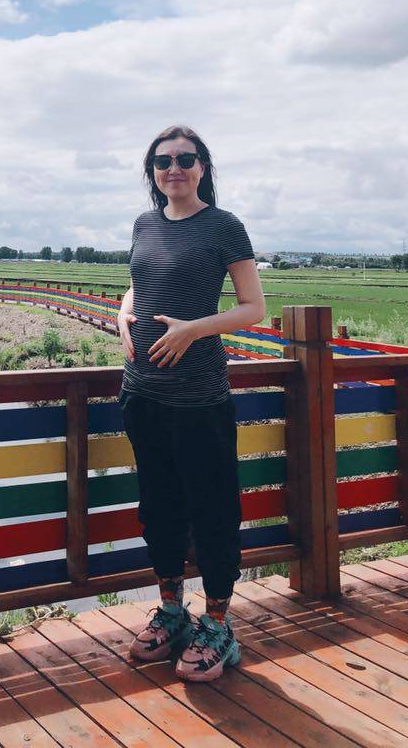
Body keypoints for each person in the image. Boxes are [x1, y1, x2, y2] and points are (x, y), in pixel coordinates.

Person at [117, 124, 265, 681]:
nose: (174, 169)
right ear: (152, 172)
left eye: (185, 159)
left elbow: (253, 307)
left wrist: (193, 329)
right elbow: (139, 281)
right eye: (163, 161)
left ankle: (218, 623)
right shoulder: (145, 224)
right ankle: (172, 612)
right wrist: (122, 311)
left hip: (199, 396)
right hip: (142, 392)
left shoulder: (224, 226)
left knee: (212, 508)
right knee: (158, 507)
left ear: (203, 167)